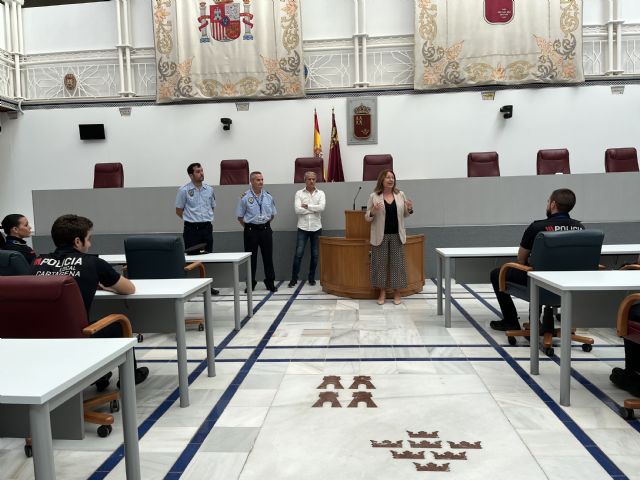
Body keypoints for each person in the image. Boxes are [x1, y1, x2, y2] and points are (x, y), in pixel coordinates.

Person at [32, 214, 149, 386]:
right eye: (89, 239)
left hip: (38, 340)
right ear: (78, 242)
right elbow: (129, 288)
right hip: (77, 339)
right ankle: (128, 376)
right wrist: (102, 285)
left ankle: (99, 375)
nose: (91, 243)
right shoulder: (93, 263)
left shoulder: (37, 262)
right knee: (119, 324)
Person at [489, 188, 584, 331]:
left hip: (539, 283)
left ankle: (511, 321)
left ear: (553, 205)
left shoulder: (537, 227)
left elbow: (521, 259)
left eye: (548, 202)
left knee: (498, 273)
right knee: (538, 270)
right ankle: (534, 321)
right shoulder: (580, 228)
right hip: (568, 283)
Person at [364, 170, 413, 305]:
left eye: (392, 177)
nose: (391, 180)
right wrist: (373, 211)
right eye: (388, 177)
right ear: (382, 180)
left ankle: (397, 293)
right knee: (380, 265)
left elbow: (405, 214)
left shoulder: (400, 194)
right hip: (380, 236)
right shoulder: (374, 196)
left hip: (397, 235)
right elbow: (367, 217)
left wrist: (409, 208)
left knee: (397, 265)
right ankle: (382, 292)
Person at [175, 162, 219, 295]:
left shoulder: (209, 189)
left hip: (206, 228)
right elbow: (178, 210)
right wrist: (192, 219)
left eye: (202, 171)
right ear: (191, 175)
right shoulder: (183, 190)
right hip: (191, 229)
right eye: (198, 171)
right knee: (192, 258)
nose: (201, 173)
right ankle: (192, 288)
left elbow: (212, 206)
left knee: (207, 257)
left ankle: (207, 287)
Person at [236, 171, 278, 292]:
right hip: (251, 231)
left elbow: (272, 214)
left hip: (265, 230)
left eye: (262, 180)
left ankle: (270, 282)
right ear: (251, 181)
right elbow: (240, 217)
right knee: (251, 259)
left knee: (268, 258)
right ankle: (250, 283)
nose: (261, 182)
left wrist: (263, 224)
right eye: (258, 180)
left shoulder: (268, 196)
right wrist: (250, 226)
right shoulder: (244, 197)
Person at [288, 171, 325, 287]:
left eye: (314, 179)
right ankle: (294, 279)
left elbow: (322, 208)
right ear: (305, 180)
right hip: (303, 228)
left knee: (315, 255)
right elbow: (297, 210)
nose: (312, 181)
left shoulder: (321, 193)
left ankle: (311, 278)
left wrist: (307, 206)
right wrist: (314, 209)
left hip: (316, 228)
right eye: (309, 179)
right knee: (298, 254)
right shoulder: (299, 193)